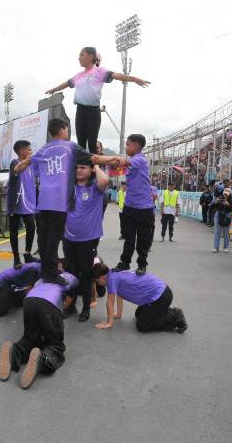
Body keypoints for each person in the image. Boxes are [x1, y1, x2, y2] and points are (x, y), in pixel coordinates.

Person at [29, 118, 119, 285]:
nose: (68, 133)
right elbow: (96, 159)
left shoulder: (42, 150)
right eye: (67, 130)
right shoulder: (70, 146)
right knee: (54, 238)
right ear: (63, 130)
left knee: (43, 236)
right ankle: (51, 272)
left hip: (43, 200)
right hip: (59, 200)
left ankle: (46, 269)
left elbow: (35, 169)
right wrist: (117, 158)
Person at [45, 47, 150, 154]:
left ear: (90, 56)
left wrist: (135, 79)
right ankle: (82, 168)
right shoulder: (79, 76)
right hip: (80, 110)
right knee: (81, 142)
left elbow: (116, 75)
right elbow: (67, 83)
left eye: (82, 55)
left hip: (93, 111)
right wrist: (55, 89)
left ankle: (94, 169)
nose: (79, 58)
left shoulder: (99, 71)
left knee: (92, 143)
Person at [0, 271, 79, 390]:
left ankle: (13, 351)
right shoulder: (73, 278)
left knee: (31, 338)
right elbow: (68, 302)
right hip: (50, 303)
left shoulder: (44, 275)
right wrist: (58, 313)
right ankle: (42, 359)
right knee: (55, 345)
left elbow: (31, 290)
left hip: (30, 301)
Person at [61, 157, 109, 322]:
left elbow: (105, 180)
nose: (79, 170)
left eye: (83, 167)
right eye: (77, 168)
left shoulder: (95, 188)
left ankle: (86, 308)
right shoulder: (68, 187)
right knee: (70, 273)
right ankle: (71, 305)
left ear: (90, 171)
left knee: (86, 274)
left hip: (88, 240)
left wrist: (95, 164)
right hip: (68, 238)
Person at [92, 262, 187, 333]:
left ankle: (175, 317)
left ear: (101, 277)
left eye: (97, 281)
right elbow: (119, 295)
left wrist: (109, 323)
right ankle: (163, 311)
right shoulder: (113, 273)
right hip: (159, 294)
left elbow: (110, 301)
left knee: (142, 326)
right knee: (138, 314)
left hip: (161, 296)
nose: (97, 283)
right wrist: (118, 314)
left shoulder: (111, 279)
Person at [113, 134, 154, 275]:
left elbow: (122, 162)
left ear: (136, 145)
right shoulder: (133, 161)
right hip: (129, 206)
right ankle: (124, 263)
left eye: (128, 144)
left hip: (144, 208)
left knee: (143, 238)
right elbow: (117, 167)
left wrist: (100, 158)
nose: (126, 147)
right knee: (128, 237)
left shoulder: (140, 160)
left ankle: (142, 264)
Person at [6, 140, 38, 268]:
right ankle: (16, 258)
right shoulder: (15, 162)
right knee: (14, 231)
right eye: (29, 149)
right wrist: (29, 159)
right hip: (16, 203)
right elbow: (17, 169)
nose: (31, 152)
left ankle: (27, 253)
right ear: (21, 151)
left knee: (31, 227)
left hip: (28, 204)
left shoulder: (32, 165)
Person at [212, 187, 232, 253]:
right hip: (219, 214)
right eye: (225, 193)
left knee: (226, 233)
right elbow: (212, 206)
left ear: (230, 193)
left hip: (227, 215)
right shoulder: (219, 197)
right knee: (217, 232)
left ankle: (226, 247)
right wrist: (215, 202)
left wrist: (228, 204)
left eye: (227, 194)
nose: (226, 195)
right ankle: (216, 247)